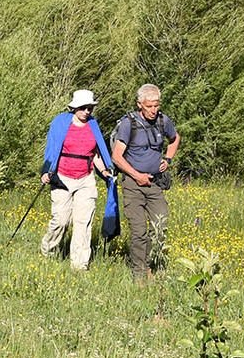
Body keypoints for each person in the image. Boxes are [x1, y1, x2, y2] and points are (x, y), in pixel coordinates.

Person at [111, 83, 180, 283]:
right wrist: (136, 175)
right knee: (139, 230)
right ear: (140, 104)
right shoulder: (128, 124)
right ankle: (139, 274)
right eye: (149, 106)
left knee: (160, 225)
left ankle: (151, 264)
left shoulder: (162, 121)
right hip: (133, 184)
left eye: (156, 105)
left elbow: (175, 139)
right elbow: (117, 156)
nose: (153, 110)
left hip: (155, 184)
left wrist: (167, 159)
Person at [39, 89, 115, 270]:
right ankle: (47, 250)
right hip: (62, 178)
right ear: (74, 108)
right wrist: (46, 171)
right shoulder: (60, 123)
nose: (87, 111)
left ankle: (79, 265)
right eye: (83, 108)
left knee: (83, 222)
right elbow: (51, 148)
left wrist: (104, 170)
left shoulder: (93, 126)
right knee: (61, 221)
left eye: (90, 108)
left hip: (86, 179)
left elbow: (96, 154)